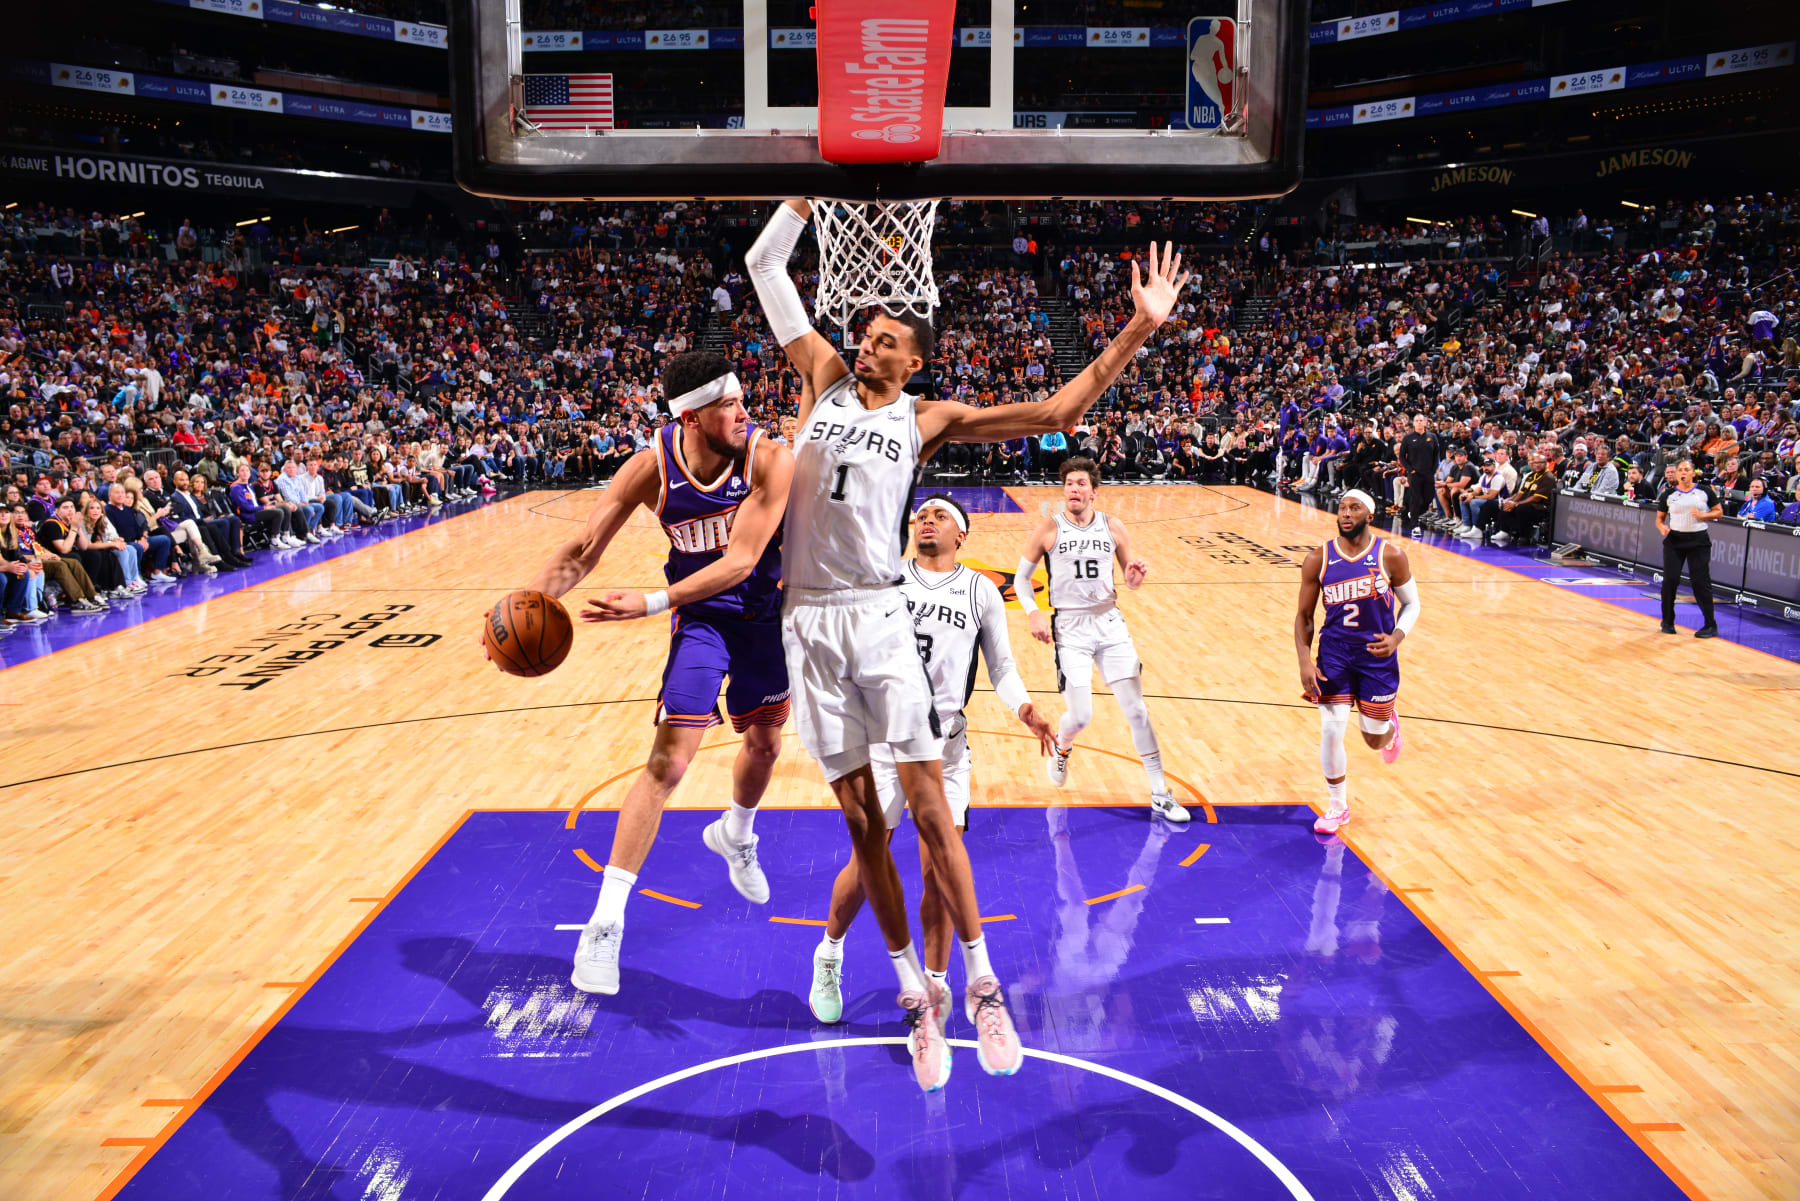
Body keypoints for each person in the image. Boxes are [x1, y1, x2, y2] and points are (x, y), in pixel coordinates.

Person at [748, 196, 1188, 1091]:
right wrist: (797, 201)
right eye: (864, 334)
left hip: (874, 614)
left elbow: (1059, 407)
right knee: (863, 829)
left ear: (913, 360)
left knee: (931, 814)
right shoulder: (822, 376)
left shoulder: (928, 417)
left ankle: (977, 985)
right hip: (808, 621)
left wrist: (1140, 328)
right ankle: (906, 989)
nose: (866, 344)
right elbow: (765, 269)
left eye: (884, 340)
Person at [492, 351, 794, 997]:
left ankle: (736, 834)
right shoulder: (650, 466)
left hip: (765, 614)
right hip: (702, 620)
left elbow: (741, 562)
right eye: (729, 405)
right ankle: (604, 924)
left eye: (742, 401)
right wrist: (521, 608)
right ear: (691, 417)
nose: (744, 413)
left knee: (766, 742)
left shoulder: (769, 458)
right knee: (668, 763)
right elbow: (582, 551)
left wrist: (651, 601)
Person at [807, 495, 1056, 1026]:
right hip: (883, 742)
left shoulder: (981, 591)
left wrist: (1027, 710)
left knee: (940, 870)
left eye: (940, 516)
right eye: (921, 516)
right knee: (868, 862)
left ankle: (934, 989)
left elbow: (1002, 668)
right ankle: (828, 954)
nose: (927, 521)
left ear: (961, 535)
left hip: (944, 748)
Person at [1015, 456, 1189, 825]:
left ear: (1094, 491)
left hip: (1110, 624)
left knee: (1137, 711)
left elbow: (1130, 578)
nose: (1073, 489)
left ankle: (1160, 792)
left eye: (1081, 483)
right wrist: (1032, 612)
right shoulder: (1049, 528)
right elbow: (1020, 580)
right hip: (1070, 628)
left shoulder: (1113, 526)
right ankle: (1063, 747)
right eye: (1069, 483)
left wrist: (1134, 577)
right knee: (1081, 715)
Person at [1294, 490, 1420, 836]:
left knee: (1373, 740)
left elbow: (1412, 604)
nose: (1346, 513)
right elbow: (1304, 616)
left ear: (1370, 515)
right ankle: (1338, 806)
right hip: (1334, 654)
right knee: (1331, 729)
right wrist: (1304, 660)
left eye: (1354, 508)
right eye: (1342, 508)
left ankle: (1390, 728)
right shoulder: (1318, 558)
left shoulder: (1390, 556)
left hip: (1377, 658)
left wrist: (1396, 637)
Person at [1655, 458, 1721, 638]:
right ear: (1676, 474)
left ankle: (1710, 625)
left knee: (1700, 582)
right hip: (1675, 541)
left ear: (1693, 473)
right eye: (1680, 470)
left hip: (1698, 541)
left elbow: (1719, 511)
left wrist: (1703, 515)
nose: (1683, 473)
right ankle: (1667, 621)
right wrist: (1662, 528)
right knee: (1670, 580)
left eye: (1686, 469)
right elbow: (1659, 518)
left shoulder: (1704, 491)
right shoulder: (1669, 494)